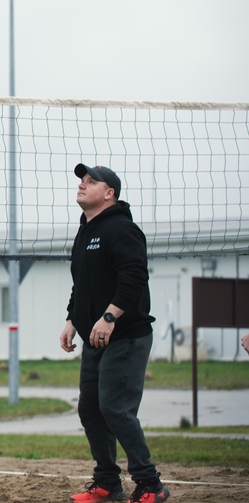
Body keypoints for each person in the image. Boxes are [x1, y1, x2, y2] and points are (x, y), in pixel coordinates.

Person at [61, 164, 169, 503]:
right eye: (81, 180)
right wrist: (70, 319)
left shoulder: (122, 229)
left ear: (109, 193)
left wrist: (109, 316)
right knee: (90, 411)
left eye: (91, 181)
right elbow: (83, 284)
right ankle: (108, 483)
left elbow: (134, 278)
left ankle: (150, 484)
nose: (82, 184)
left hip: (126, 335)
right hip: (95, 339)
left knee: (115, 409)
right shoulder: (85, 231)